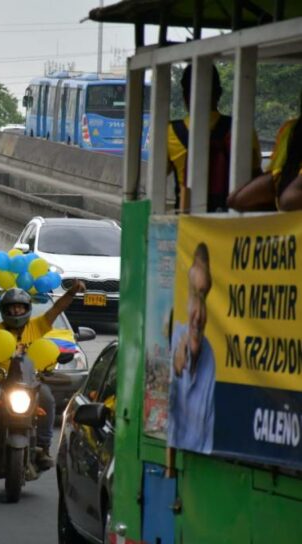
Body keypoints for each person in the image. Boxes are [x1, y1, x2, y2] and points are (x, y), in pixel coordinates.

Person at [0, 281, 86, 470]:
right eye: (12, 308)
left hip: (31, 384)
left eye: (20, 307)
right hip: (2, 384)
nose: (16, 312)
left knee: (47, 397)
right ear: (4, 310)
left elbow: (56, 309)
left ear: (28, 309)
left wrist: (72, 292)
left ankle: (44, 447)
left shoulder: (38, 326)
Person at [167, 64, 261, 212]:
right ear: (219, 94)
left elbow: (158, 176)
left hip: (186, 221)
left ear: (185, 96)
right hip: (232, 220)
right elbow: (255, 176)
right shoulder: (243, 129)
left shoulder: (171, 132)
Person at [168, 243, 215, 453]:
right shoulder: (170, 340)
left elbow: (208, 436)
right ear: (186, 298)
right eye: (195, 296)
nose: (198, 313)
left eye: (203, 298)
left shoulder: (209, 356)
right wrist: (176, 373)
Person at [228, 90, 302, 212]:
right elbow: (236, 201)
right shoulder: (291, 128)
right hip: (285, 175)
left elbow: (289, 200)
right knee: (236, 200)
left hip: (289, 189)